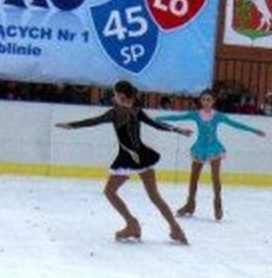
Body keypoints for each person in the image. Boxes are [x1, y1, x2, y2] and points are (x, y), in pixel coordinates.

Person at [55, 80, 193, 244]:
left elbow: (93, 121)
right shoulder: (136, 111)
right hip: (143, 156)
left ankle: (132, 223)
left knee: (109, 192)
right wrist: (179, 130)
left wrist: (71, 126)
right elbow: (157, 124)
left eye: (114, 94)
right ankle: (176, 228)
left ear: (120, 96)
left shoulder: (115, 113)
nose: (113, 97)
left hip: (128, 159)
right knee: (155, 196)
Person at [157, 89, 266, 221]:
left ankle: (218, 204)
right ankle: (190, 204)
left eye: (209, 99)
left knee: (215, 178)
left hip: (214, 148)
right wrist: (158, 118)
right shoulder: (196, 114)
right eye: (204, 99)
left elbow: (235, 124)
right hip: (199, 149)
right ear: (201, 101)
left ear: (213, 101)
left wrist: (254, 131)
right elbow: (178, 117)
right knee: (193, 179)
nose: (206, 102)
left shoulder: (218, 116)